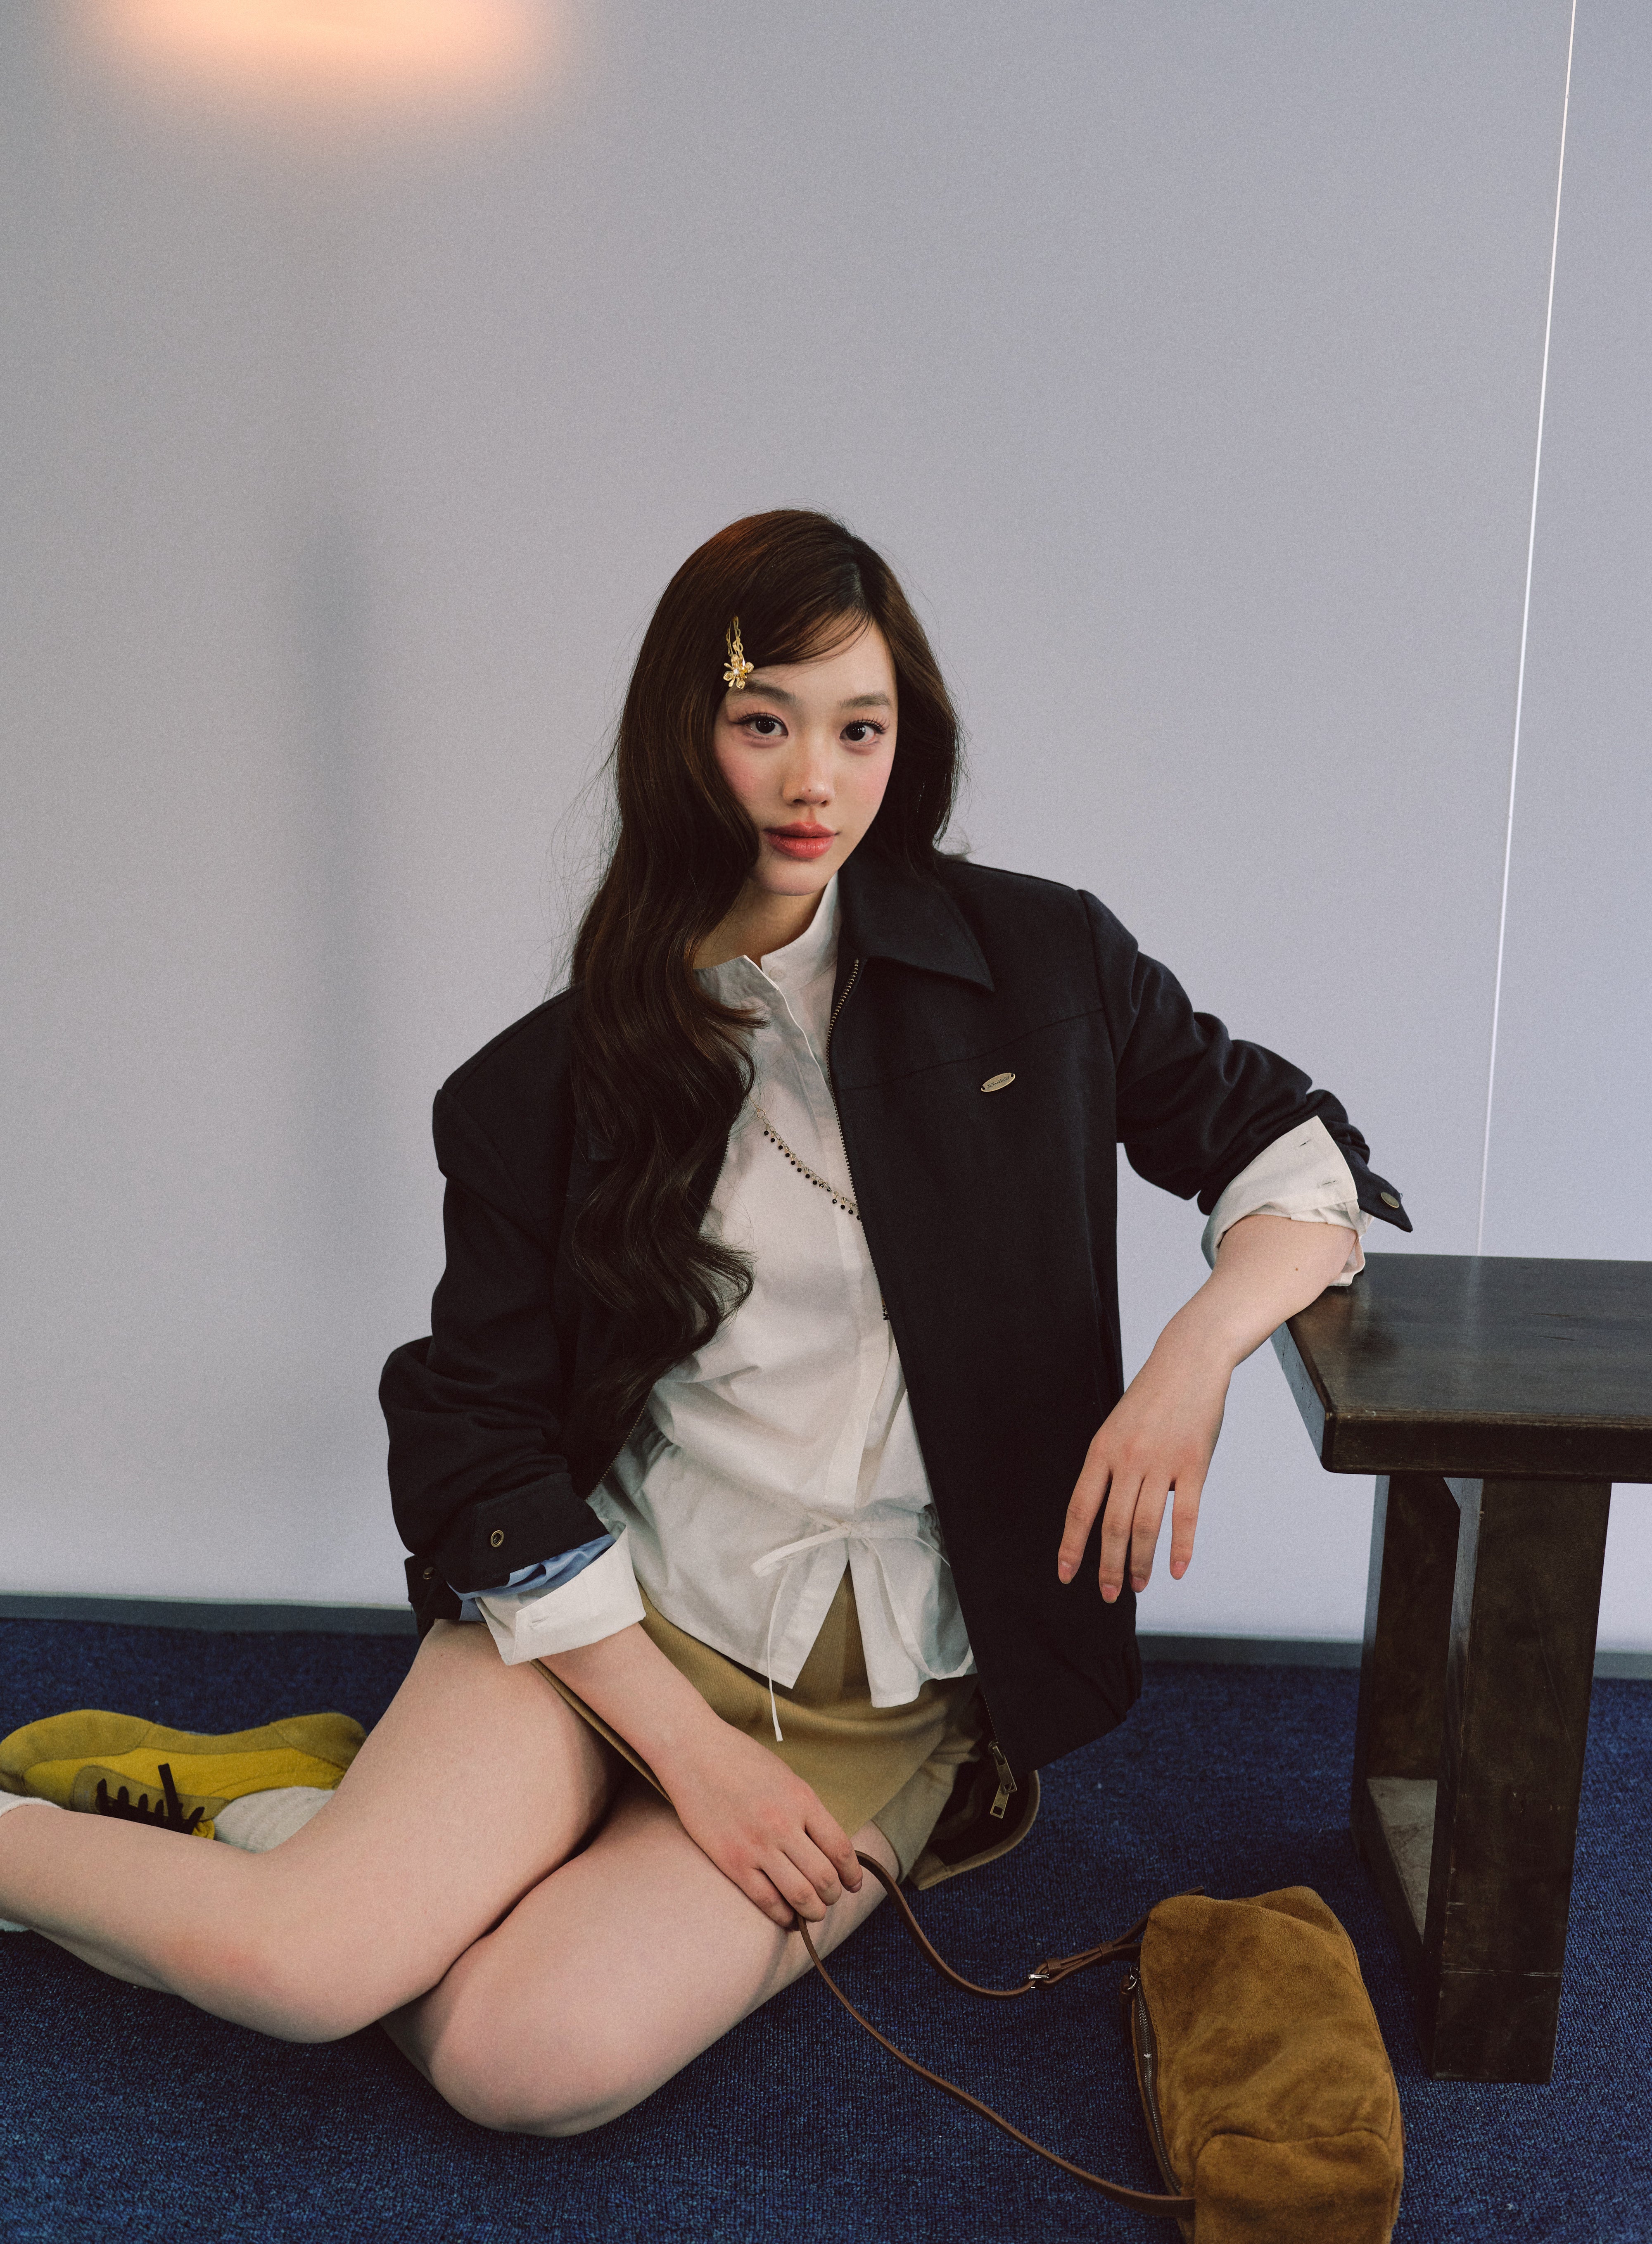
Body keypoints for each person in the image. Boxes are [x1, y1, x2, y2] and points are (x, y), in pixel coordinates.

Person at [0, 509, 1409, 2134]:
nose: (815, 780)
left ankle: (307, 1822)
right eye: (763, 723)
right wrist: (689, 1756)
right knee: (308, 1968)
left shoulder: (1042, 965)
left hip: (875, 1714)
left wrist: (1189, 1360)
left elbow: (1294, 1159)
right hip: (603, 1631)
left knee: (521, 2067)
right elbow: (473, 1434)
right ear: (689, 736)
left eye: (860, 729)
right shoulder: (550, 1082)